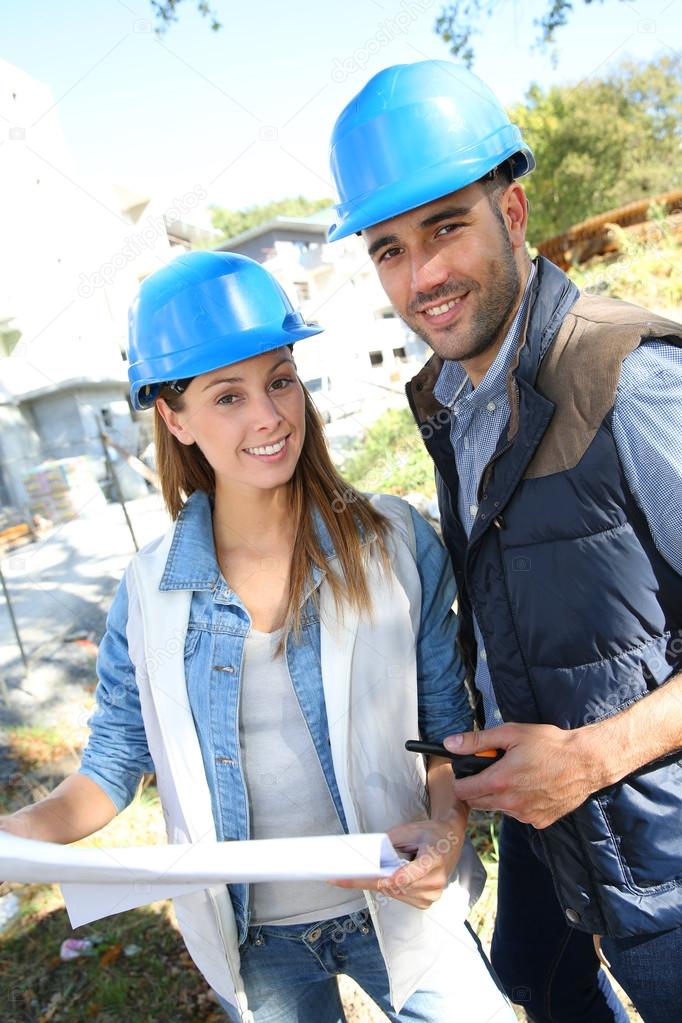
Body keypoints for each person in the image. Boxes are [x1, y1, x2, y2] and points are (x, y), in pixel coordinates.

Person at [0, 251, 514, 1023]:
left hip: (401, 899)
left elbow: (444, 728)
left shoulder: (394, 540)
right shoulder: (147, 597)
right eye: (227, 396)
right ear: (174, 417)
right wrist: (15, 836)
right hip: (256, 940)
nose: (268, 416)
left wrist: (446, 830)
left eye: (279, 379)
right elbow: (107, 773)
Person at [326, 60, 682, 1023]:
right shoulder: (453, 403)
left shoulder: (631, 381)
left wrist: (595, 756)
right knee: (534, 979)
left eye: (447, 228)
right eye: (389, 249)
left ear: (514, 213)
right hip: (556, 839)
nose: (423, 277)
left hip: (664, 865)